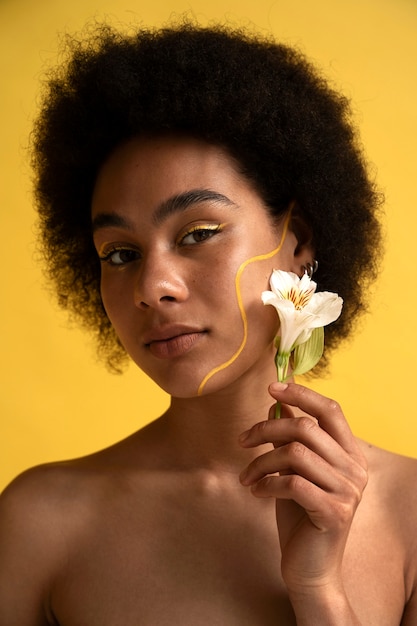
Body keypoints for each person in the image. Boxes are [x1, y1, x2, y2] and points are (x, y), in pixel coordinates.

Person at [0, 21, 416, 626]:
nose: (151, 287)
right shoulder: (38, 523)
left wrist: (318, 589)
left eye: (197, 234)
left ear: (297, 241)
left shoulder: (408, 512)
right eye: (120, 254)